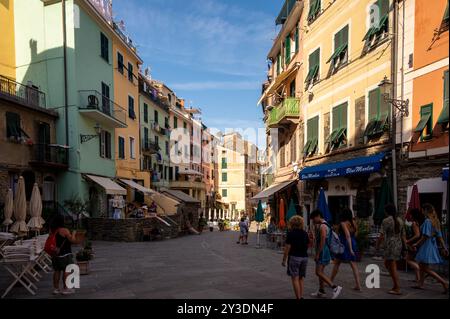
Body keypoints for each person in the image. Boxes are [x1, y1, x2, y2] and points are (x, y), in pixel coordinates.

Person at [412, 204, 449, 293]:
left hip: (426, 246)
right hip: (431, 246)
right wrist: (445, 248)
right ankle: (420, 284)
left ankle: (444, 282)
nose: (422, 212)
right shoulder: (435, 221)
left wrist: (416, 244)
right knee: (422, 266)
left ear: (425, 210)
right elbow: (440, 237)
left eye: (423, 210)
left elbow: (425, 236)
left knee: (425, 268)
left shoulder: (428, 221)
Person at [310, 210, 343, 299]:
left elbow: (323, 241)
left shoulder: (323, 226)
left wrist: (318, 254)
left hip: (323, 252)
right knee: (320, 271)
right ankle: (321, 291)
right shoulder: (323, 225)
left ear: (318, 216)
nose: (313, 221)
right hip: (323, 251)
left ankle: (335, 287)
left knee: (318, 272)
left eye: (313, 218)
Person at [376, 204, 406, 295]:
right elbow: (403, 235)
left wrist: (377, 245)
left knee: (392, 266)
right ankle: (395, 284)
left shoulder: (386, 221)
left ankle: (397, 288)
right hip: (398, 244)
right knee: (387, 263)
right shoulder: (400, 220)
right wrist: (405, 246)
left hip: (390, 245)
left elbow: (381, 235)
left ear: (386, 211)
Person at [330, 208, 362, 291]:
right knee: (353, 265)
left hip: (345, 244)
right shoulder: (353, 222)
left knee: (337, 263)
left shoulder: (343, 223)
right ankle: (358, 285)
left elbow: (347, 235)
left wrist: (350, 249)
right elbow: (355, 233)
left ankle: (330, 281)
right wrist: (353, 244)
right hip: (353, 242)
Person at [49, 214, 79, 295]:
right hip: (65, 254)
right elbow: (72, 240)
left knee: (57, 271)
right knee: (67, 270)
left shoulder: (52, 230)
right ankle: (66, 288)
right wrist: (73, 233)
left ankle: (56, 289)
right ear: (62, 221)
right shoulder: (64, 230)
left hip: (55, 255)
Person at [282, 216, 309, 299]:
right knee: (301, 278)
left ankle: (298, 298)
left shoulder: (291, 233)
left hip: (294, 257)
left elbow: (287, 248)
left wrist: (284, 260)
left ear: (292, 223)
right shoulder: (305, 233)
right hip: (304, 257)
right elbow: (307, 245)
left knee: (295, 278)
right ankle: (301, 296)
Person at [405, 208, 424, 283]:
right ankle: (417, 278)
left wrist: (408, 241)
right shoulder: (418, 222)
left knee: (408, 259)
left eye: (410, 214)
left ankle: (418, 271)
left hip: (413, 244)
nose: (409, 216)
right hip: (415, 244)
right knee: (412, 260)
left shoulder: (414, 223)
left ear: (413, 215)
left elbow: (417, 235)